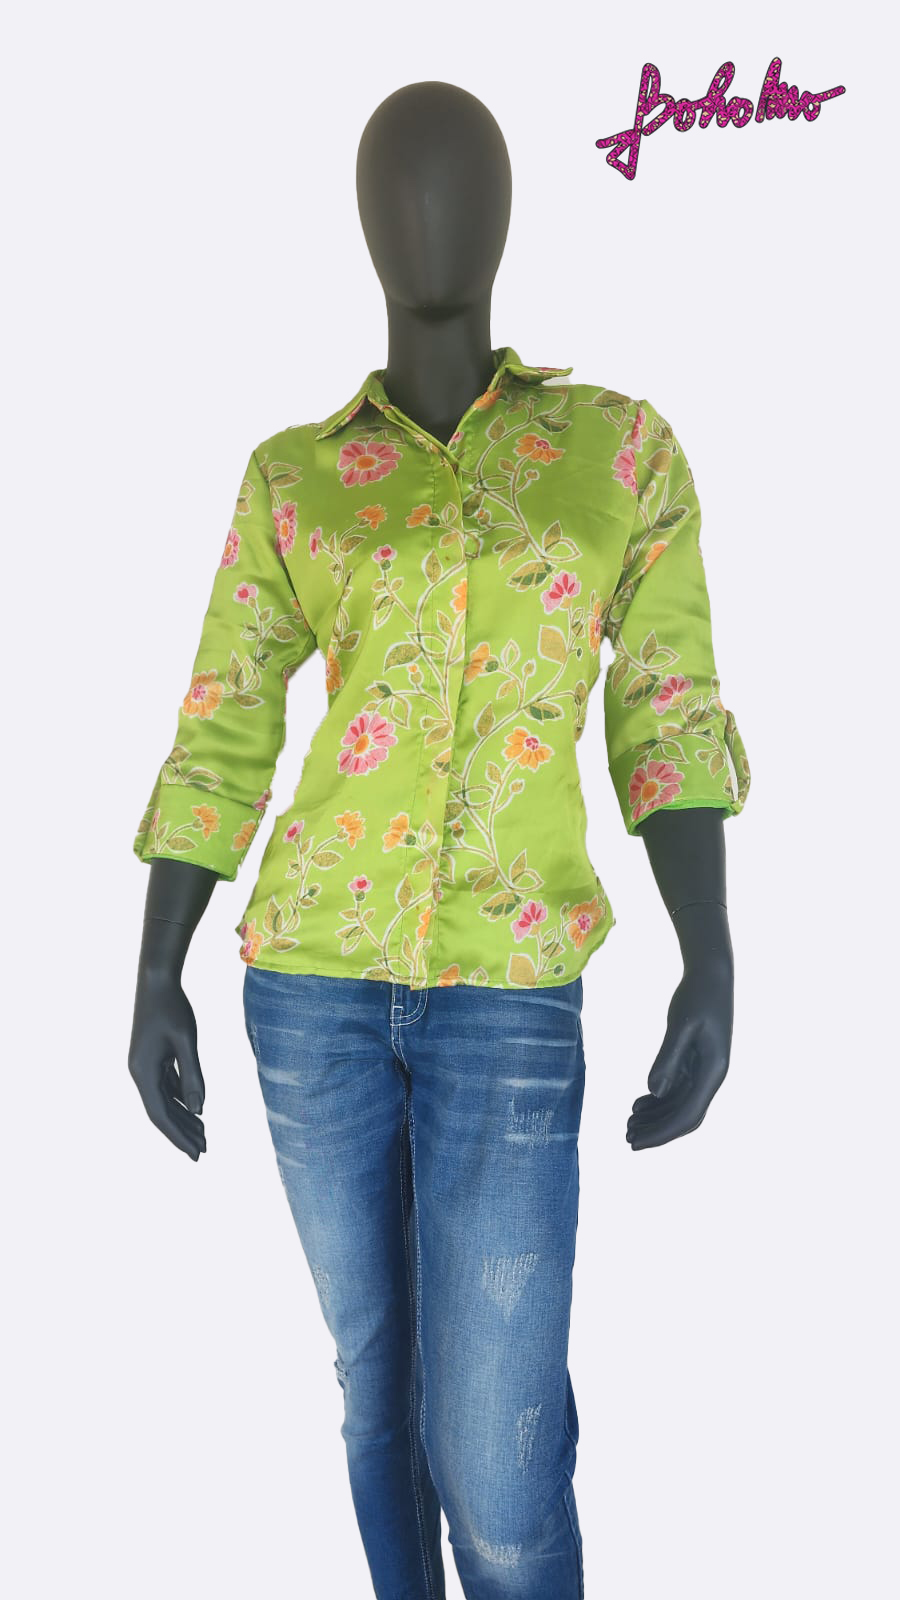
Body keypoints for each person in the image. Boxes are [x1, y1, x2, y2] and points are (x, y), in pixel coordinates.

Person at [128, 81, 750, 1600]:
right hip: (310, 994)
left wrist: (712, 956)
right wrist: (156, 973)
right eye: (398, 189)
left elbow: (667, 707)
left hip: (509, 997)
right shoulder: (292, 476)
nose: (429, 218)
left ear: (507, 214)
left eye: (459, 184)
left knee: (500, 1453)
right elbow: (225, 724)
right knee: (377, 1397)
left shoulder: (619, 451)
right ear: (361, 224)